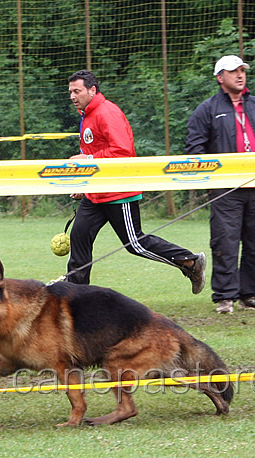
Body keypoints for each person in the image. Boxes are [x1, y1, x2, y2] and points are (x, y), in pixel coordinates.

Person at [65, 69, 206, 293]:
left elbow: (122, 152)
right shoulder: (87, 115)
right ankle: (74, 294)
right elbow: (96, 153)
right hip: (97, 192)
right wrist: (84, 184)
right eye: (70, 92)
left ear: (92, 90)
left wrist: (89, 159)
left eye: (77, 91)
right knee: (79, 235)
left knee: (135, 244)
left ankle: (190, 262)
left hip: (119, 190)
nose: (72, 96)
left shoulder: (106, 112)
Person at [185, 55, 255, 314]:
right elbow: (195, 149)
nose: (240, 75)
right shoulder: (206, 109)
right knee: (225, 242)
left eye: (242, 70)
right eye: (233, 71)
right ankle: (225, 298)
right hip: (226, 189)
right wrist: (211, 182)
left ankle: (251, 295)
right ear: (220, 78)